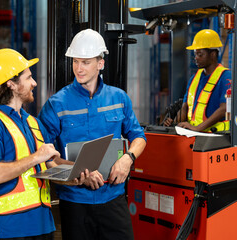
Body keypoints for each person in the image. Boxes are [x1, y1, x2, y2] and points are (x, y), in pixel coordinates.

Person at [38, 29, 147, 240]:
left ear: (100, 63)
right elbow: (45, 154)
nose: (79, 68)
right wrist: (78, 172)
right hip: (75, 201)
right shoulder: (56, 104)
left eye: (85, 62)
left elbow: (139, 137)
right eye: (75, 62)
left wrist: (127, 159)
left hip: (113, 197)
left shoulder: (119, 98)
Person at [0, 48, 87, 240]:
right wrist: (36, 157)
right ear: (12, 84)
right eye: (28, 78)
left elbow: (49, 164)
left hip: (43, 223)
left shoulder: (32, 122)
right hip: (12, 229)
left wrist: (77, 172)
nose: (34, 83)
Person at [164, 29, 231, 132]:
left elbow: (224, 109)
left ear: (213, 54)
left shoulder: (226, 76)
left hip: (218, 138)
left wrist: (198, 128)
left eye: (200, 54)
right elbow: (185, 107)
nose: (196, 58)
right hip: (195, 135)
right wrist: (174, 122)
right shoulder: (194, 79)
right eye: (195, 54)